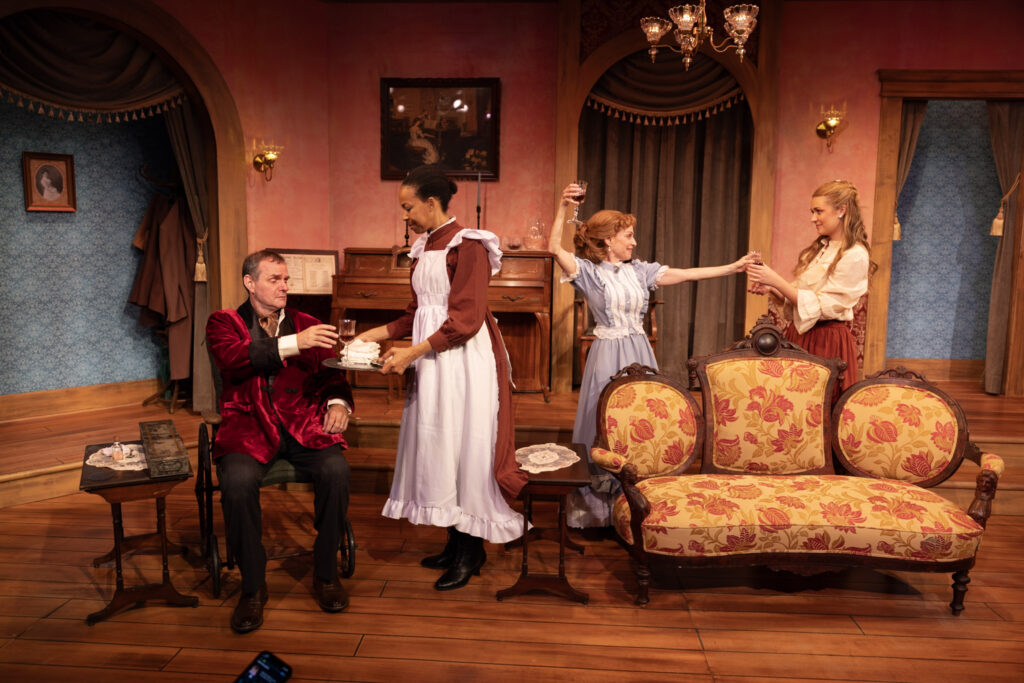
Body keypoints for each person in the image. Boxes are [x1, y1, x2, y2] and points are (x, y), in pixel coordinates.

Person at [354, 165, 525, 591]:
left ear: (431, 203)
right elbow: (417, 313)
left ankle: (471, 549)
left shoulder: (470, 245)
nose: (405, 215)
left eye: (409, 207)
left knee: (465, 445)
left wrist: (411, 352)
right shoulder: (423, 247)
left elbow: (466, 319)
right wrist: (375, 334)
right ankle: (454, 540)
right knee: (440, 445)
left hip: (463, 361)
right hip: (432, 359)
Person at [549, 183, 756, 528]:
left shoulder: (639, 271)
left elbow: (686, 274)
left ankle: (636, 497)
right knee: (604, 421)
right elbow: (554, 248)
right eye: (628, 236)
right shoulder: (588, 272)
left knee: (640, 419)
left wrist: (731, 268)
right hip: (607, 354)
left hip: (639, 352)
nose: (634, 242)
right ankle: (600, 506)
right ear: (608, 240)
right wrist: (562, 206)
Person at [206, 249, 354, 633]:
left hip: (303, 426)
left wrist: (338, 403)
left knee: (336, 470)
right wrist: (295, 343)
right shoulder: (223, 322)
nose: (284, 286)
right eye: (275, 279)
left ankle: (326, 573)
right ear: (250, 283)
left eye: (286, 279)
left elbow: (332, 375)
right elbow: (233, 358)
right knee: (237, 483)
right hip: (248, 428)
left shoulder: (308, 324)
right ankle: (253, 587)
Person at [746, 179, 871, 394]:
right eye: (812, 211)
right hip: (801, 335)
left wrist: (775, 279)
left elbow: (822, 307)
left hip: (827, 340)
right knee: (796, 403)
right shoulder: (821, 248)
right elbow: (803, 297)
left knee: (819, 402)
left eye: (819, 211)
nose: (813, 218)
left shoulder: (855, 254)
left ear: (841, 210)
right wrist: (773, 288)